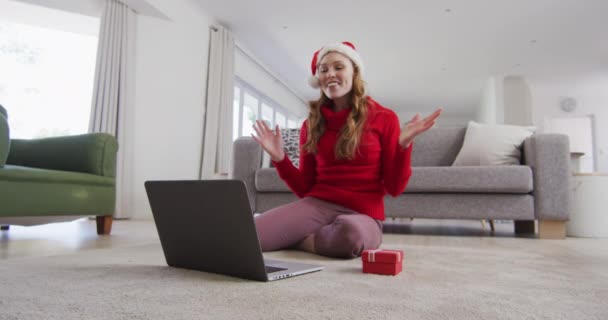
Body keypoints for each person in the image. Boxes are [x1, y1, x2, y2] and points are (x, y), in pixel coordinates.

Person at [251, 41, 442, 259]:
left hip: (363, 215)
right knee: (250, 234)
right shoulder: (311, 124)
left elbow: (394, 188)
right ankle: (317, 237)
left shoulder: (385, 118)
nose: (330, 73)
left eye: (338, 67)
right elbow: (305, 187)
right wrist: (280, 158)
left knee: (349, 236)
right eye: (323, 70)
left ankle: (303, 241)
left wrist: (402, 146)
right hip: (317, 206)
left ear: (354, 72)